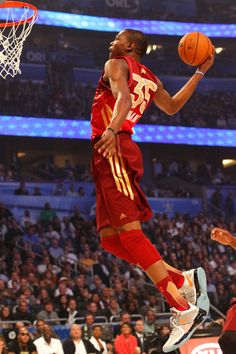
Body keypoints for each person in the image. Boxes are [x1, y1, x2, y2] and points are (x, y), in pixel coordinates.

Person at [90, 28, 214, 352]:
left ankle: (182, 308)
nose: (111, 42)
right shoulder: (149, 76)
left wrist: (113, 129)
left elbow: (124, 98)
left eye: (117, 39)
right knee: (110, 239)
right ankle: (180, 280)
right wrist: (200, 72)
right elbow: (171, 106)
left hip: (114, 145)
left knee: (130, 234)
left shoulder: (115, 64)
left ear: (130, 45)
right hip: (115, 147)